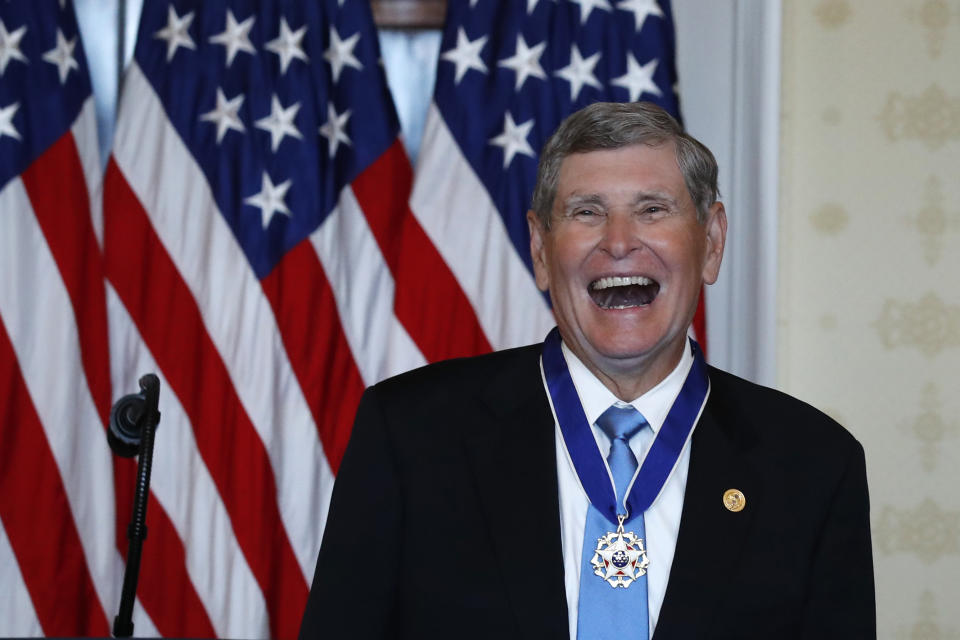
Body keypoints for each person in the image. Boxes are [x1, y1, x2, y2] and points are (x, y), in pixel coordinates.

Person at [298, 102, 875, 639]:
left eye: (652, 209)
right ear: (542, 251)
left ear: (713, 242)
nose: (619, 243)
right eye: (586, 212)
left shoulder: (815, 464)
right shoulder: (409, 436)